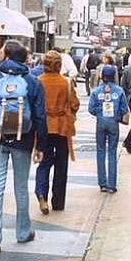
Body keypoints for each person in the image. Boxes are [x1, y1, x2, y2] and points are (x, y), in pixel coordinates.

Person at [0, 39, 46, 256]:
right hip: (23, 140)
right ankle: (23, 232)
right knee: (21, 187)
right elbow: (40, 116)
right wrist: (40, 145)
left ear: (7, 56)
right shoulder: (33, 82)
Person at [34, 50, 79, 213]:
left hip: (43, 127)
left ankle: (41, 194)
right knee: (61, 164)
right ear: (59, 65)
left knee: (44, 162)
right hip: (62, 127)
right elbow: (75, 104)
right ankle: (58, 201)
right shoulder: (66, 82)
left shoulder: (38, 81)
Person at [88, 64, 128, 193]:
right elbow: (124, 109)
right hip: (113, 123)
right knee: (112, 152)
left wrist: (99, 114)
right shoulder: (119, 91)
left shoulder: (96, 91)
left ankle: (102, 183)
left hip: (100, 122)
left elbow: (91, 109)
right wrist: (117, 115)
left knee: (100, 151)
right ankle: (112, 184)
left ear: (102, 76)